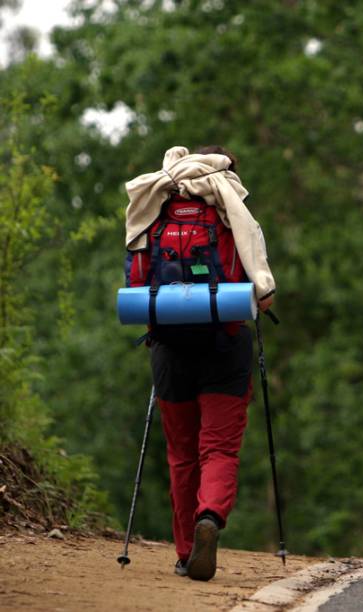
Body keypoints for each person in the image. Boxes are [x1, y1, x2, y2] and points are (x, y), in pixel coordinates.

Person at [123, 145, 275, 581]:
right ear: (227, 175)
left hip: (169, 348)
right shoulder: (231, 213)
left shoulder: (155, 207)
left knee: (182, 454)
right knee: (219, 448)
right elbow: (264, 295)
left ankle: (186, 550)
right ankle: (210, 515)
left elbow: (136, 282)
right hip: (225, 344)